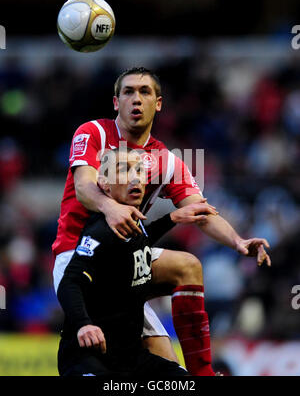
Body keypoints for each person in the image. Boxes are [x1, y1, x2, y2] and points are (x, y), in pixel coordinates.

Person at [52, 67, 271, 376]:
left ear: (159, 104)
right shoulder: (94, 133)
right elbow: (84, 186)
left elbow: (201, 210)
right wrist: (109, 207)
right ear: (116, 102)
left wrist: (238, 241)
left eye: (144, 92)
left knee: (187, 269)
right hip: (80, 257)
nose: (136, 99)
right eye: (128, 92)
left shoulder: (166, 160)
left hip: (126, 265)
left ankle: (201, 374)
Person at [57, 147, 207, 377]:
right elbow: (70, 281)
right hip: (89, 358)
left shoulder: (131, 225)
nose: (135, 177)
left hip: (130, 358)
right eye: (124, 170)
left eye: (139, 170)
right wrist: (83, 324)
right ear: (104, 184)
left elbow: (138, 241)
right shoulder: (100, 231)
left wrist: (172, 218)